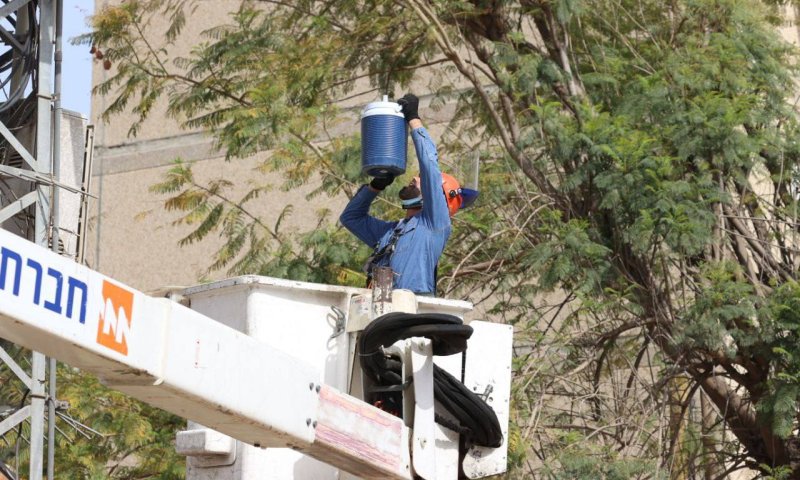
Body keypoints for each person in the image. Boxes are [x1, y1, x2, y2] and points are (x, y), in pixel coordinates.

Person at [340, 93, 463, 296]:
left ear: (436, 197)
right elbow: (350, 218)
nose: (414, 178)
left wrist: (414, 119)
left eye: (420, 181)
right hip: (384, 308)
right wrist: (374, 187)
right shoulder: (390, 233)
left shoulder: (434, 224)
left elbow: (429, 166)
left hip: (414, 307)